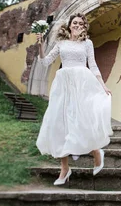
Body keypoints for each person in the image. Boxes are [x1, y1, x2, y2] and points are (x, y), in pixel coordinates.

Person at [35, 13, 113, 185]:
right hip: (63, 85)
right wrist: (40, 45)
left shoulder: (87, 43)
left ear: (84, 27)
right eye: (75, 23)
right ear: (69, 25)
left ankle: (96, 152)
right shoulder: (61, 43)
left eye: (81, 23)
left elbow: (92, 65)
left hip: (82, 84)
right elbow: (45, 61)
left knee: (83, 120)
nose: (78, 25)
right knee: (58, 123)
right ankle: (64, 169)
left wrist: (103, 86)